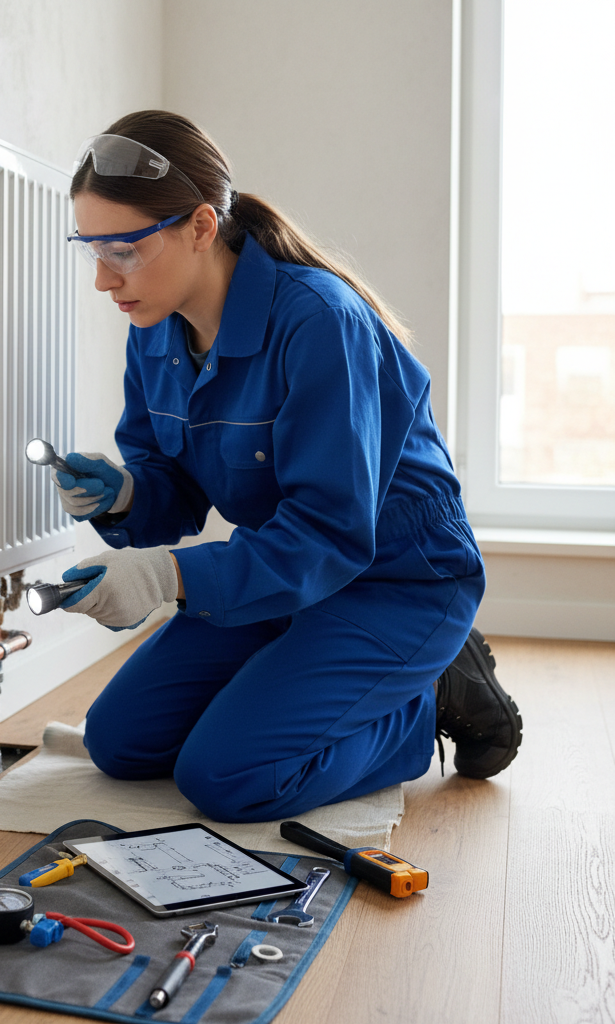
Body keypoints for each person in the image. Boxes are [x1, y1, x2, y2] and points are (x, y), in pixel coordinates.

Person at [53, 111, 521, 823]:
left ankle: (422, 702)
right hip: (281, 574)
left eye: (122, 249)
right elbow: (173, 485)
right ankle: (309, 683)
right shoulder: (154, 328)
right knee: (119, 743)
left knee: (229, 776)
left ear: (201, 227)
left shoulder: (318, 321)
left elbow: (331, 530)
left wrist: (164, 576)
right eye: (90, 249)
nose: (101, 280)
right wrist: (125, 494)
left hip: (395, 580)